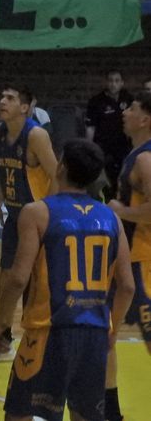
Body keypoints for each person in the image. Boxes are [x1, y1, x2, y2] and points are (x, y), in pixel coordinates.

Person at [0, 138, 134, 421]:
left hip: (48, 334)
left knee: (19, 414)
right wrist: (112, 330)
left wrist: (0, 323)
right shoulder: (111, 219)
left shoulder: (37, 213)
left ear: (61, 168)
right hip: (93, 337)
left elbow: (18, 278)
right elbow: (127, 286)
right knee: (85, 415)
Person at [0, 85, 59, 365]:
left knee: (35, 286)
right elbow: (4, 172)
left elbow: (56, 174)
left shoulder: (36, 135)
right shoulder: (0, 131)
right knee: (6, 283)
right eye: (1, 96)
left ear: (25, 107)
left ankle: (39, 343)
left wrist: (53, 214)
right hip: (14, 217)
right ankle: (1, 346)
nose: (2, 101)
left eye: (10, 98)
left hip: (37, 219)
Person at [104, 90, 151, 421]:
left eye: (131, 108)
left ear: (145, 118)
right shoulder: (135, 154)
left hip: (144, 263)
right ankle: (110, 412)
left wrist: (118, 210)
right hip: (126, 262)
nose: (125, 111)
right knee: (105, 333)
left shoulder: (147, 159)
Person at [85, 70, 133, 200]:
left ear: (122, 83)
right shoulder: (96, 102)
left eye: (117, 81)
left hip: (123, 146)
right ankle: (106, 200)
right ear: (106, 82)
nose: (113, 84)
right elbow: (90, 127)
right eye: (111, 80)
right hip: (103, 146)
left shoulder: (128, 100)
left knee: (123, 176)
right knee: (105, 178)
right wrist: (90, 147)